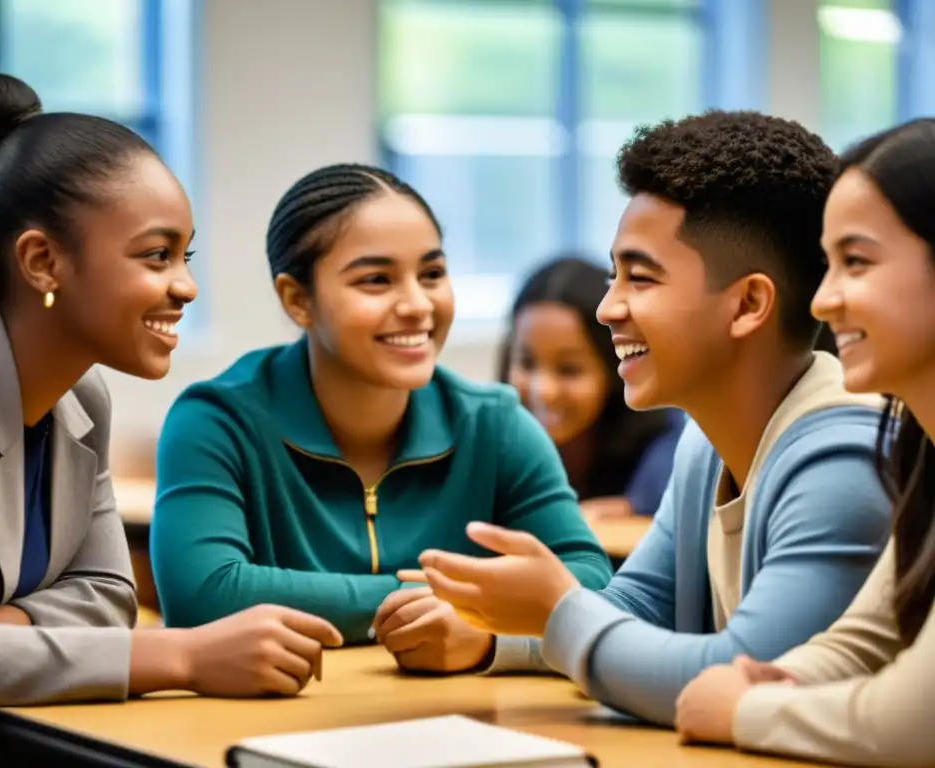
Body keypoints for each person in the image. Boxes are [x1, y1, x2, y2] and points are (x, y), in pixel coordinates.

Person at [410, 111, 892, 724]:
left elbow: (740, 676)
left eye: (640, 277)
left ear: (748, 304)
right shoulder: (705, 441)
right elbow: (638, 606)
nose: (609, 308)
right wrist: (497, 637)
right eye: (615, 276)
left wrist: (557, 611)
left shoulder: (844, 457)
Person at [0, 74, 346, 722]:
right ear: (42, 262)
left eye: (184, 256)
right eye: (156, 256)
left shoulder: (79, 400)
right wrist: (185, 658)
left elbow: (110, 595)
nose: (187, 287)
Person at [151, 163, 613, 676]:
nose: (417, 305)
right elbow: (206, 595)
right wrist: (448, 598)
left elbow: (591, 580)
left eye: (432, 274)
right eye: (376, 280)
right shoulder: (217, 421)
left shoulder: (496, 424)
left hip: (455, 725)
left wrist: (475, 627)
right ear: (297, 299)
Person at [675, 119, 935, 767]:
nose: (822, 301)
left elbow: (911, 723)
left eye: (857, 262)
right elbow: (863, 641)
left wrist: (743, 709)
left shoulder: (842, 441)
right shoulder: (920, 444)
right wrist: (780, 679)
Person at [499, 255, 684, 520]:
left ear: (615, 368)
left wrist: (634, 507)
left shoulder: (663, 444)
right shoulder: (490, 437)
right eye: (527, 363)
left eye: (569, 370)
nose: (544, 391)